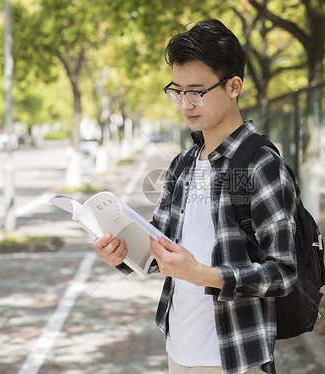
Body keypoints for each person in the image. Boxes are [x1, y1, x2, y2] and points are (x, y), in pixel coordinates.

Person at [93, 19, 298, 374]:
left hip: (232, 358)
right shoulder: (184, 163)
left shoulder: (261, 165)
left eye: (197, 92)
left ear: (234, 86)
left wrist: (203, 274)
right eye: (178, 90)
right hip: (179, 349)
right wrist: (123, 255)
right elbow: (160, 246)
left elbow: (282, 273)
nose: (185, 104)